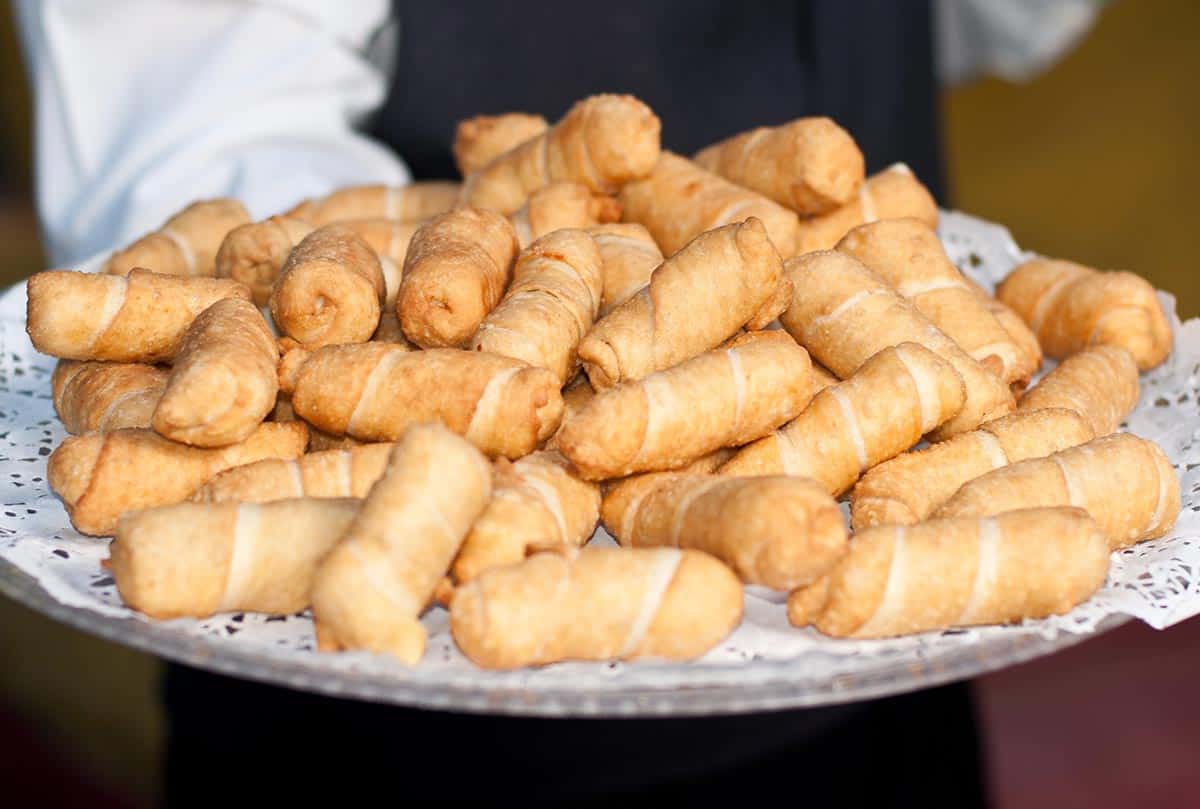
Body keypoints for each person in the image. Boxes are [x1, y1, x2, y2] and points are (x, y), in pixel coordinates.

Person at [16, 1, 1091, 804]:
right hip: (397, 737)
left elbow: (996, 19)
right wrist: (402, 334)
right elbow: (201, 122)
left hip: (898, 648)